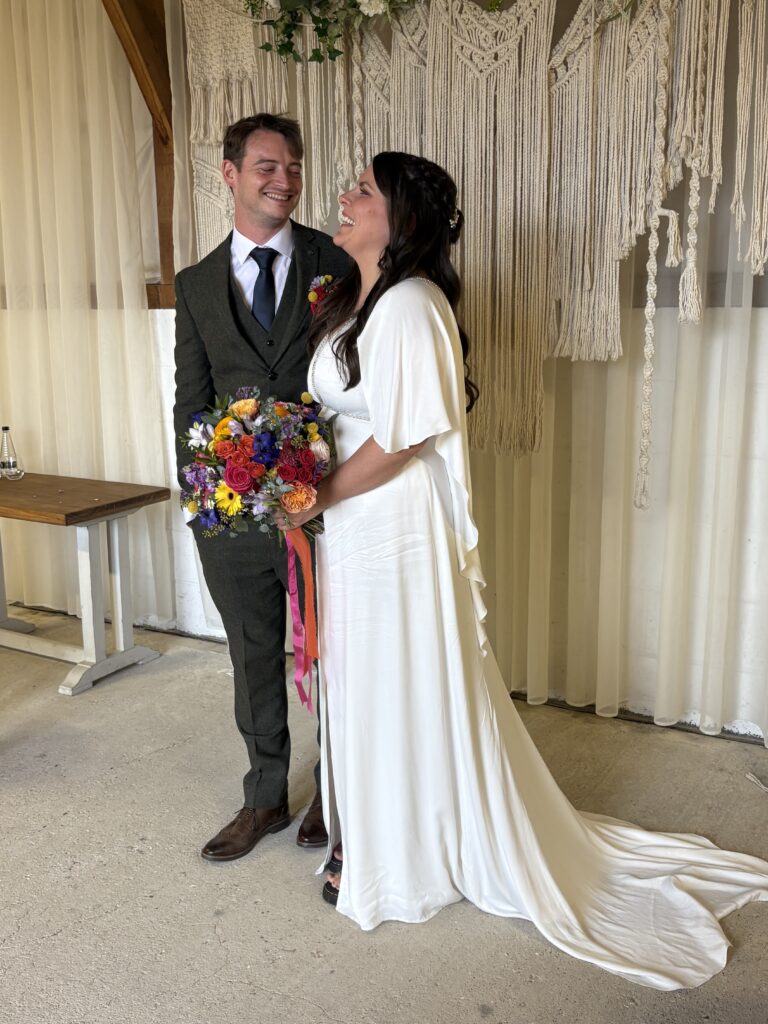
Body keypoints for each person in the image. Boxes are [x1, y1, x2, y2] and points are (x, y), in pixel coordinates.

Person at [281, 151, 768, 990]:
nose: (344, 196)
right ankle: (370, 833)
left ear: (403, 218)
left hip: (393, 529)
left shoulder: (412, 303)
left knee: (397, 679)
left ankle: (406, 849)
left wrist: (315, 493)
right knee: (360, 681)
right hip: (352, 527)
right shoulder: (351, 300)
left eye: (363, 189)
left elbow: (404, 439)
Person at [173, 113, 350, 862]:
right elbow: (192, 399)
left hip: (325, 507)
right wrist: (201, 500)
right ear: (230, 173)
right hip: (233, 515)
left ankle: (338, 797)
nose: (284, 180)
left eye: (294, 167)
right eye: (267, 167)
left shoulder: (336, 262)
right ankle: (266, 797)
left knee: (335, 655)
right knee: (253, 655)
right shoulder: (194, 284)